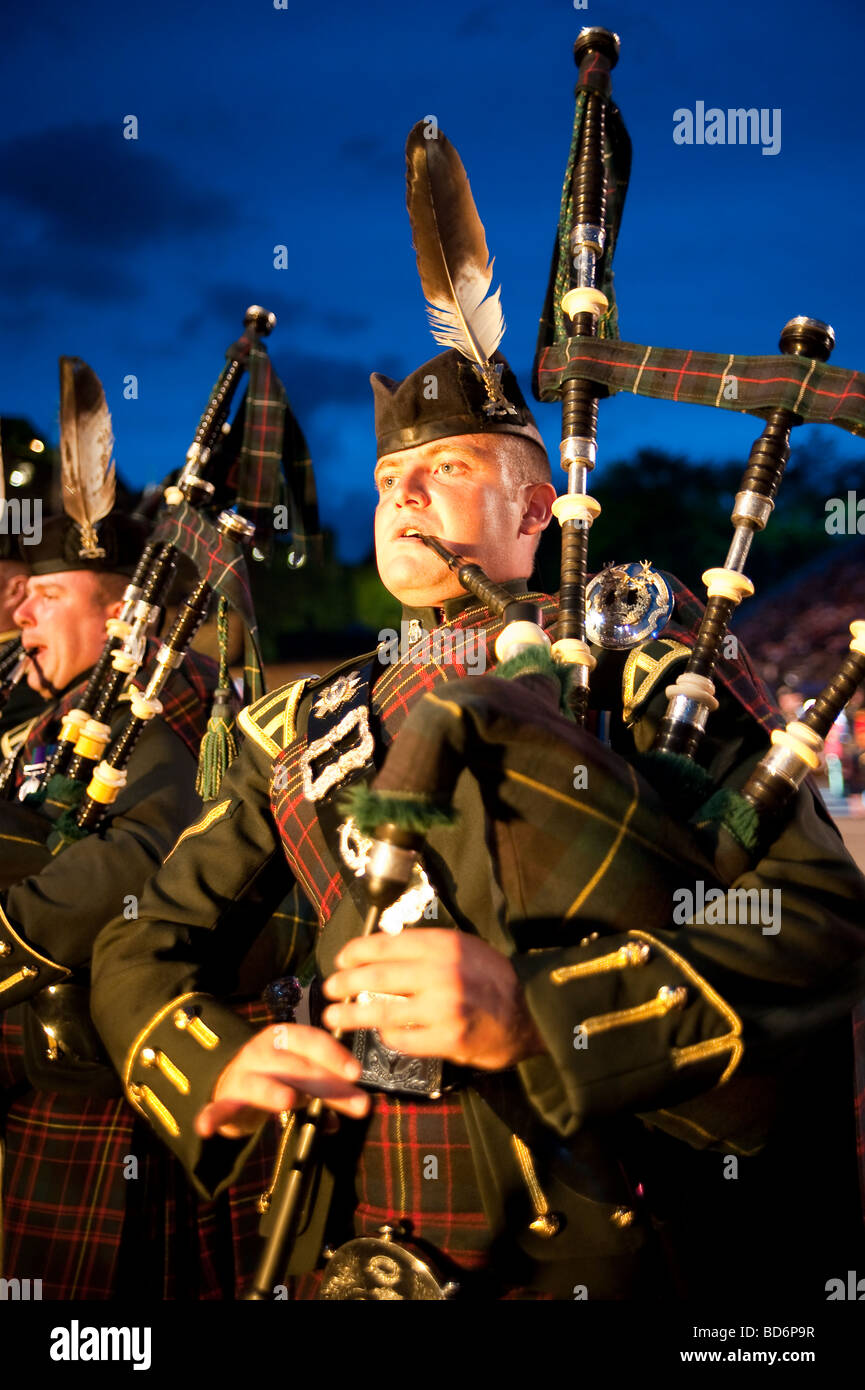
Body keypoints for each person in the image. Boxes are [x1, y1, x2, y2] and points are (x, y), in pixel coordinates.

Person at [91, 350, 865, 1300]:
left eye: (447, 468)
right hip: (355, 1217)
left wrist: (539, 1014)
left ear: (537, 512)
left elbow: (815, 917)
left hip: (605, 1217)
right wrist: (214, 1058)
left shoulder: (643, 675)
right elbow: (145, 938)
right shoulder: (295, 725)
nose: (402, 493)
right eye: (385, 479)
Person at [0, 510, 291, 1299]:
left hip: (108, 1099)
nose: (22, 611)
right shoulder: (56, 714)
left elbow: (147, 853)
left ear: (122, 614)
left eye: (49, 594)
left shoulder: (170, 694)